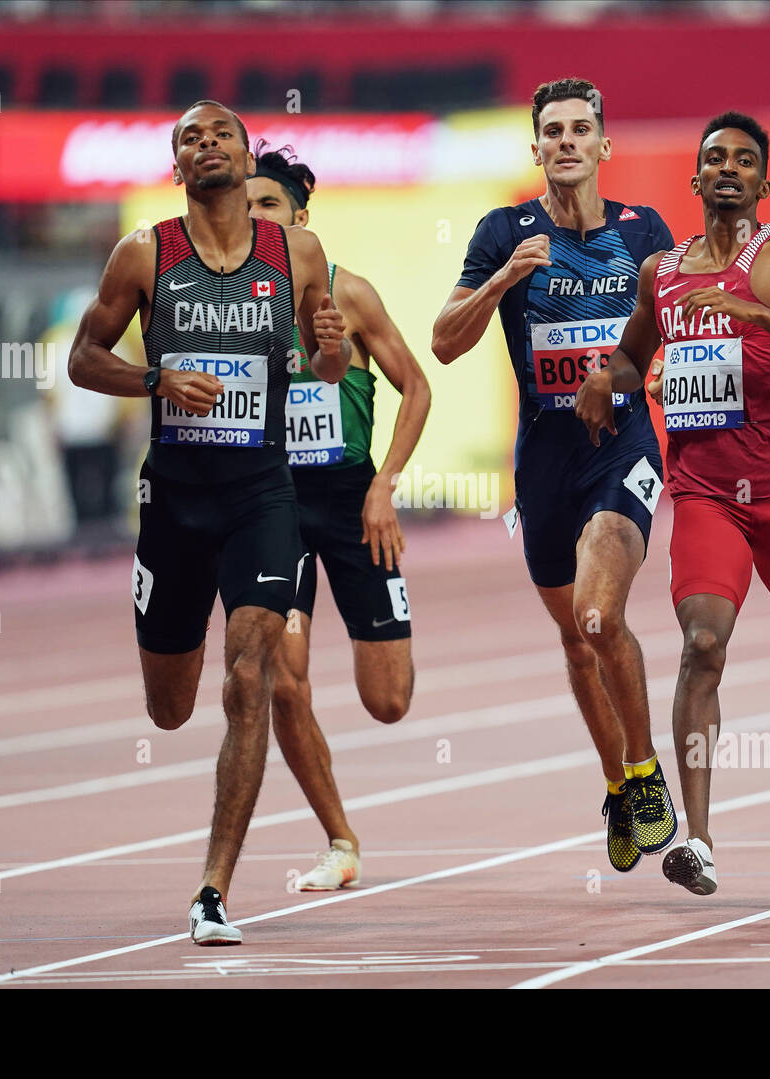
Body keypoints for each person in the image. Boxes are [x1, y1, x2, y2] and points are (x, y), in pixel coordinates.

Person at [68, 100, 351, 944]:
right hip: (176, 500)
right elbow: (84, 358)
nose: (207, 145)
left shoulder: (295, 251)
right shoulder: (145, 253)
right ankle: (212, 876)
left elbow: (327, 365)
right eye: (190, 137)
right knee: (171, 706)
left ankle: (213, 890)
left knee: (249, 676)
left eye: (220, 132)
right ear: (177, 161)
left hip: (263, 495)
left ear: (242, 149)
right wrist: (157, 382)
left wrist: (330, 344)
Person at [576, 111, 770, 895]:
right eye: (713, 158)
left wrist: (763, 316)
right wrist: (608, 378)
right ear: (695, 180)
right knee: (702, 643)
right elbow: (637, 360)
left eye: (743, 160)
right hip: (704, 491)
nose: (727, 168)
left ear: (764, 183)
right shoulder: (661, 273)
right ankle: (698, 839)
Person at [433, 77, 678, 876]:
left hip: (623, 441)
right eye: (553, 131)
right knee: (575, 640)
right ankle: (615, 783)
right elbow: (443, 342)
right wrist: (504, 278)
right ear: (535, 148)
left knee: (599, 616)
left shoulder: (644, 232)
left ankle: (643, 772)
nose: (567, 141)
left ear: (605, 145)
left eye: (581, 129)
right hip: (543, 456)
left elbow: (678, 328)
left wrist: (618, 371)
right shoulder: (503, 230)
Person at [246, 142, 431, 890]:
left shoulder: (347, 295)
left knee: (387, 701)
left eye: (269, 204)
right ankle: (341, 840)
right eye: (246, 204)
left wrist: (385, 484)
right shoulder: (224, 305)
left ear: (301, 217)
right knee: (283, 682)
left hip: (353, 499)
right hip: (275, 506)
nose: (255, 215)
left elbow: (416, 387)